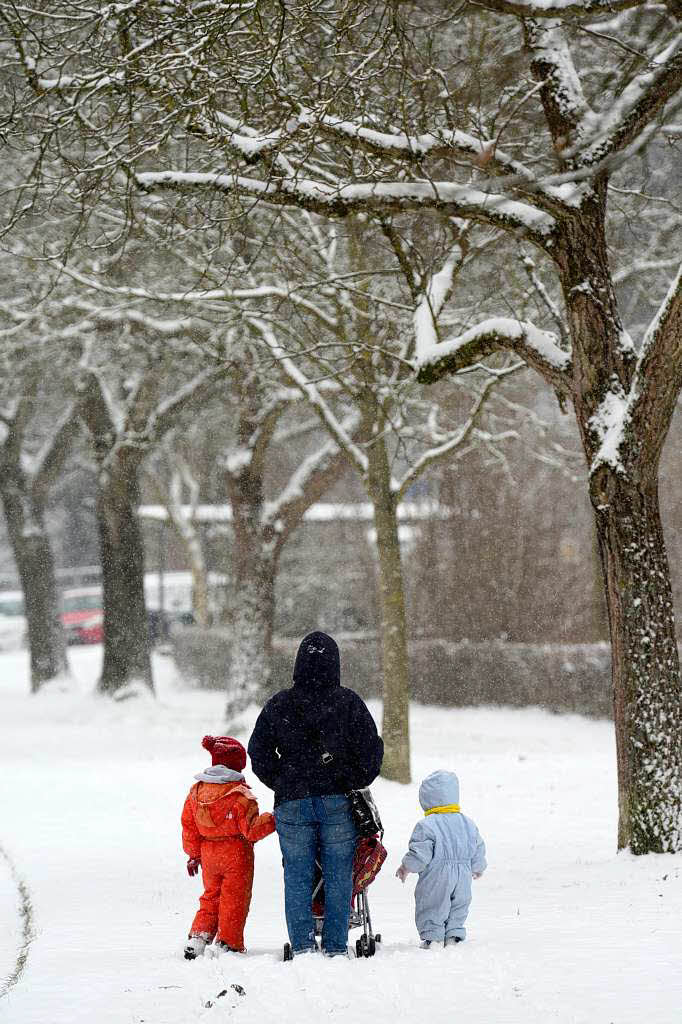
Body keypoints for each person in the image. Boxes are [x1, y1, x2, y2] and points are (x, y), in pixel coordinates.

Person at [248, 630, 383, 958]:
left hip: (293, 803)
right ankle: (336, 946)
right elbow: (371, 751)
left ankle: (304, 945)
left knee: (297, 873)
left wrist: (283, 780)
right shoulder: (349, 703)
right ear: (336, 664)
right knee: (339, 872)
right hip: (338, 800)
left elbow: (259, 751)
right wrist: (350, 778)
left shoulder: (280, 704)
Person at [181, 735, 275, 959]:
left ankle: (198, 937)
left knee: (211, 896)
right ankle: (228, 942)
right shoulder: (241, 796)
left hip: (208, 855)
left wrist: (193, 855)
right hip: (236, 855)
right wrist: (273, 819)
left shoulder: (196, 792)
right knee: (234, 899)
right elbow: (251, 830)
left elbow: (189, 825)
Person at [396, 769, 486, 948]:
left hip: (437, 875)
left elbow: (420, 853)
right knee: (459, 904)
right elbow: (478, 845)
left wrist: (406, 867)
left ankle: (433, 938)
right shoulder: (467, 822)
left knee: (433, 904)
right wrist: (477, 866)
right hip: (463, 874)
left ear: (426, 799)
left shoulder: (426, 825)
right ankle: (454, 935)